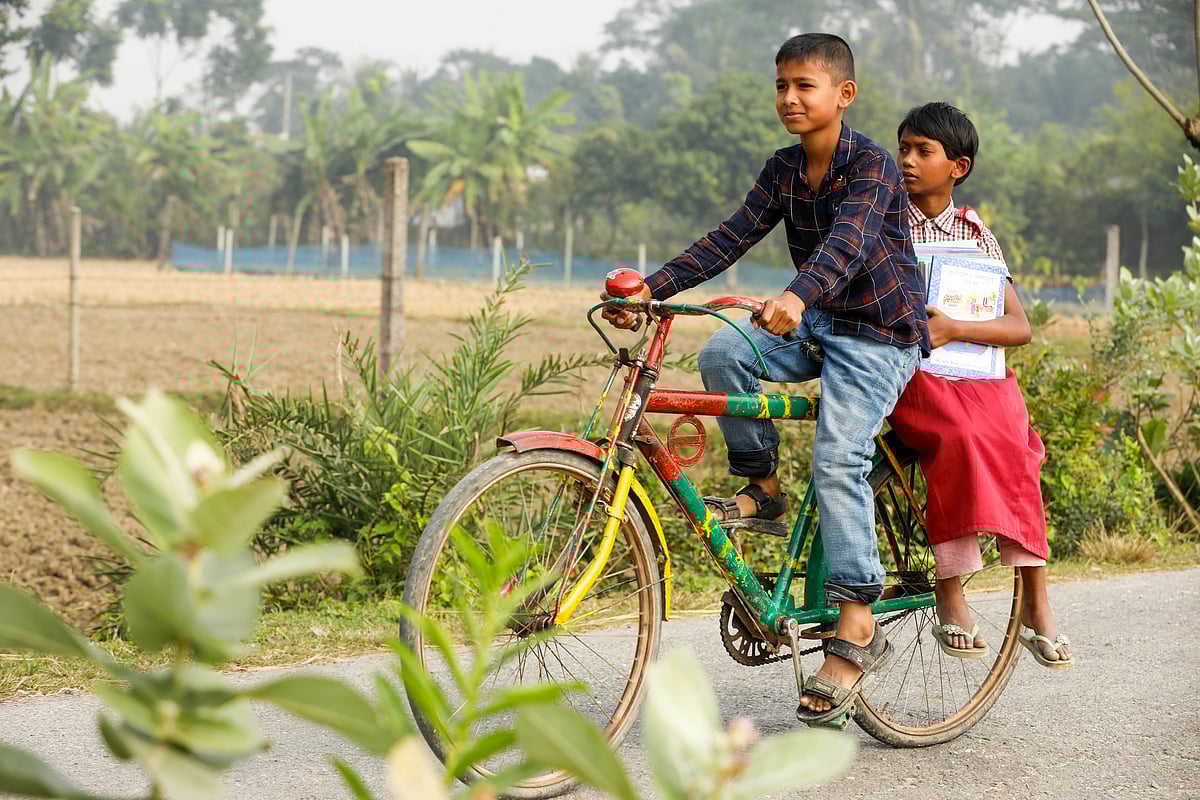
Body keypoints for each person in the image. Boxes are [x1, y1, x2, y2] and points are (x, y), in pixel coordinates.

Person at [603, 33, 930, 724]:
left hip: (877, 334)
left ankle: (855, 623)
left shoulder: (873, 167)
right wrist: (650, 289)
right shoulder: (783, 170)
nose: (788, 98)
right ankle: (765, 489)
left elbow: (848, 244)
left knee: (840, 458)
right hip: (818, 323)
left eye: (804, 86)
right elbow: (730, 236)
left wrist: (799, 296)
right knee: (726, 353)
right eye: (781, 85)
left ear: (843, 94)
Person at [889, 101, 1072, 669]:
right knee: (962, 435)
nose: (908, 161)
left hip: (978, 369)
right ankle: (951, 584)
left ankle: (1035, 598)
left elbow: (1018, 326)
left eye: (924, 151)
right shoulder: (881, 221)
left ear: (958, 167)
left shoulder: (976, 235)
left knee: (1020, 445)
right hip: (916, 370)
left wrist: (958, 328)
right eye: (905, 149)